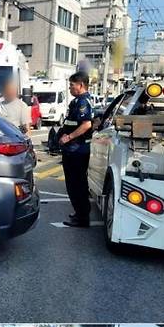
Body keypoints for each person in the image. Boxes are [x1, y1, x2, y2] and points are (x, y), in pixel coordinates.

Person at [59, 71, 94, 227]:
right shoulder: (80, 101)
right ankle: (80, 213)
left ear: (80, 85)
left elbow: (86, 124)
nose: (70, 88)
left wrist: (68, 137)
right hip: (74, 150)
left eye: (72, 85)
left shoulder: (82, 102)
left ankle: (82, 217)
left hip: (76, 150)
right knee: (76, 184)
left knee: (76, 184)